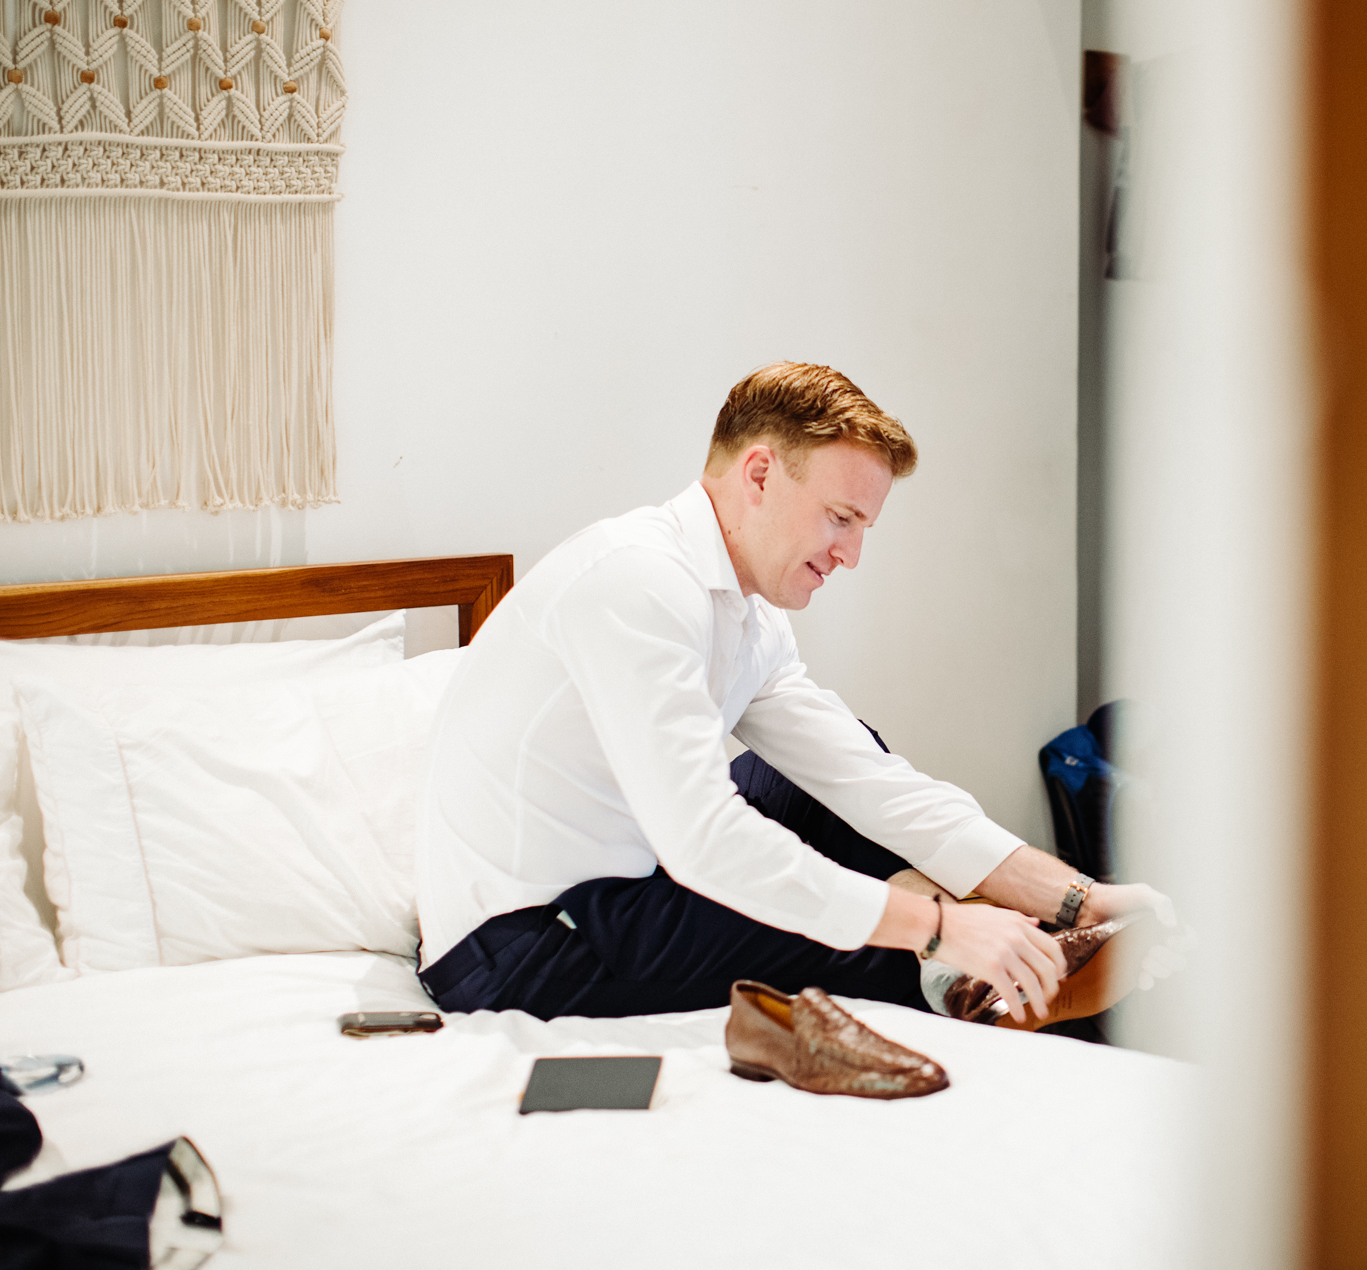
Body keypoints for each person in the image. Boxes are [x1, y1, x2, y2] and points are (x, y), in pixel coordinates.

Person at [414, 362, 1171, 1029]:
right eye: (841, 518)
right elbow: (704, 841)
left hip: (619, 882)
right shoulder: (636, 585)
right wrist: (938, 927)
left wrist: (1079, 897)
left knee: (836, 779)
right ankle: (982, 982)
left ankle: (1016, 946)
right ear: (760, 474)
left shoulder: (747, 615)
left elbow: (866, 782)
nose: (851, 553)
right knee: (851, 936)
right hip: (520, 946)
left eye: (863, 526)